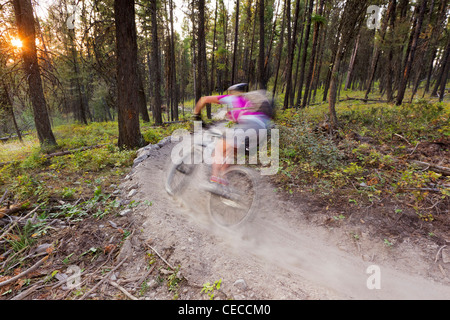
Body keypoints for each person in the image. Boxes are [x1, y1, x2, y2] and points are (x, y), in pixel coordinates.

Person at [193, 83, 271, 189]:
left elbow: (204, 99)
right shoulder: (249, 102)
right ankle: (223, 180)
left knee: (219, 148)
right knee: (229, 152)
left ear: (233, 92)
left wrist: (196, 115)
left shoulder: (233, 98)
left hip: (249, 126)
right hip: (262, 131)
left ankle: (215, 178)